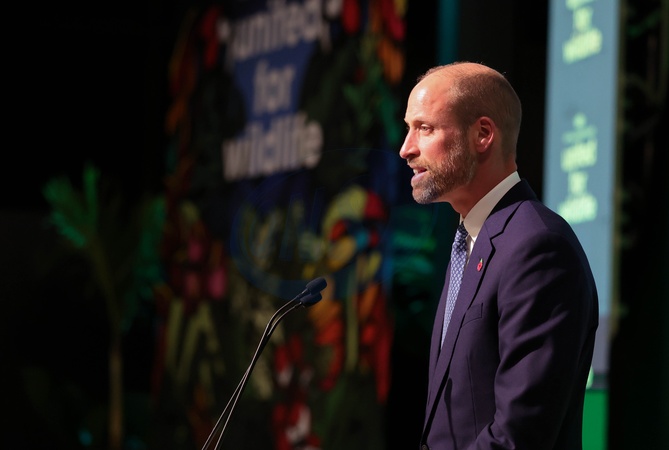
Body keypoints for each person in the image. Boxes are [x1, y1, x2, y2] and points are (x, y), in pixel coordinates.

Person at [399, 61, 599, 449]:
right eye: (408, 128)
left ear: (483, 134)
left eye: (425, 128)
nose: (406, 149)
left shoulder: (537, 247)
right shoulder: (471, 242)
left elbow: (519, 435)